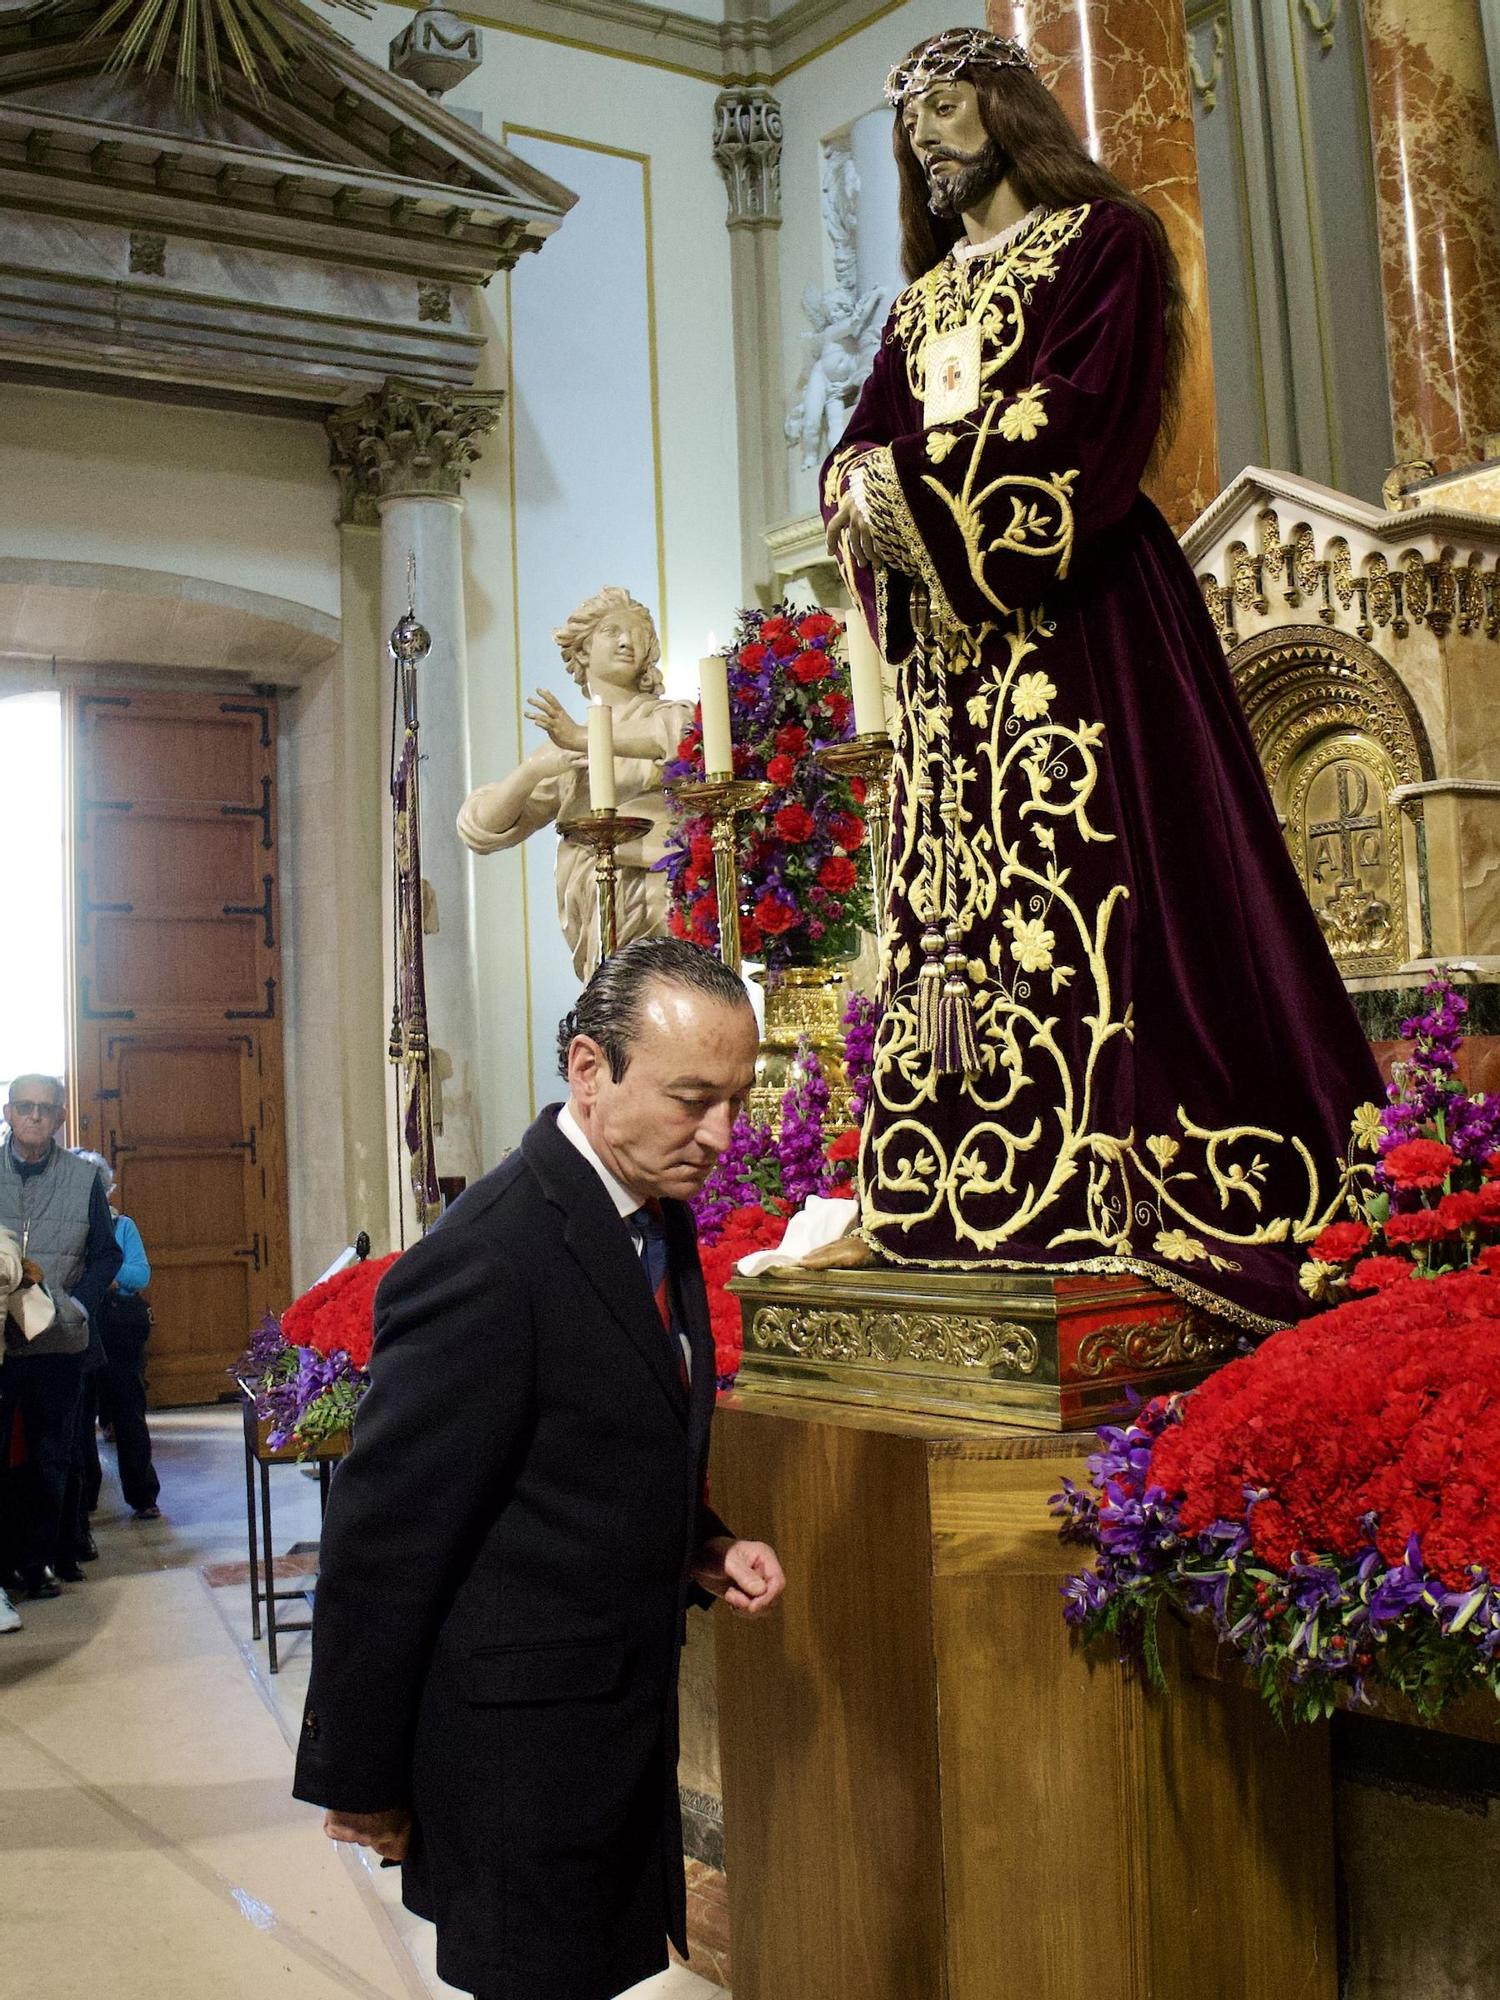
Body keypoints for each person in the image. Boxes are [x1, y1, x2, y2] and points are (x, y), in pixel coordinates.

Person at [819, 28, 1380, 1332]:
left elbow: (1080, 425)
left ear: (1008, 110)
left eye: (947, 111)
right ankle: (969, 1186)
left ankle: (1125, 1172)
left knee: (1115, 886)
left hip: (1085, 631)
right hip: (962, 680)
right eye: (913, 128)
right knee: (964, 919)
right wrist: (865, 486)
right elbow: (859, 450)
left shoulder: (1103, 246)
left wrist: (907, 487)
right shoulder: (918, 304)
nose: (928, 142)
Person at [293, 938, 785, 2000]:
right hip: (517, 1752)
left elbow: (596, 1443)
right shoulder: (491, 1255)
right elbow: (384, 1538)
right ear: (588, 1068)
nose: (722, 1135)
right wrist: (359, 1773)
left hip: (603, 1724)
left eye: (739, 1099)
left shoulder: (650, 1210)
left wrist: (706, 1541)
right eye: (693, 1097)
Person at [457, 588, 694, 978]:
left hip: (661, 891)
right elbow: (481, 829)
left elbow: (679, 737)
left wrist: (582, 736)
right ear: (582, 652)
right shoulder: (566, 753)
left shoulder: (669, 715)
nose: (626, 641)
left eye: (638, 634)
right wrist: (533, 770)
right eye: (612, 631)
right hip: (595, 900)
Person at [0, 1075, 121, 1598]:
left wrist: (78, 1305)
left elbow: (107, 1255)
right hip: (0, 1341)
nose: (34, 1116)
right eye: (24, 1107)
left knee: (53, 1456)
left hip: (58, 1339)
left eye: (45, 1109)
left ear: (60, 1118)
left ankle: (39, 1560)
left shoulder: (81, 1177)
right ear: (7, 1113)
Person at [74, 1151, 161, 1521]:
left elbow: (139, 1275)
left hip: (117, 1328)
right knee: (79, 1418)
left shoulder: (123, 1225)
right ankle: (84, 1498)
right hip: (77, 1326)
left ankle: (142, 1495)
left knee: (128, 1412)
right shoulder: (66, 1226)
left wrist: (108, 1277)